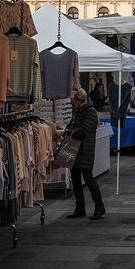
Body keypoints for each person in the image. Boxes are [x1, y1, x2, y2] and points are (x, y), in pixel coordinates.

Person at [57, 88, 106, 220]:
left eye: (72, 100)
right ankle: (80, 207)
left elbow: (83, 130)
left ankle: (99, 206)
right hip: (75, 149)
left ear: (79, 100)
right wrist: (66, 130)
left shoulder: (90, 112)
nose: (71, 102)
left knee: (88, 178)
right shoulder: (78, 111)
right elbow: (72, 126)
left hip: (84, 150)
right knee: (76, 179)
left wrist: (65, 133)